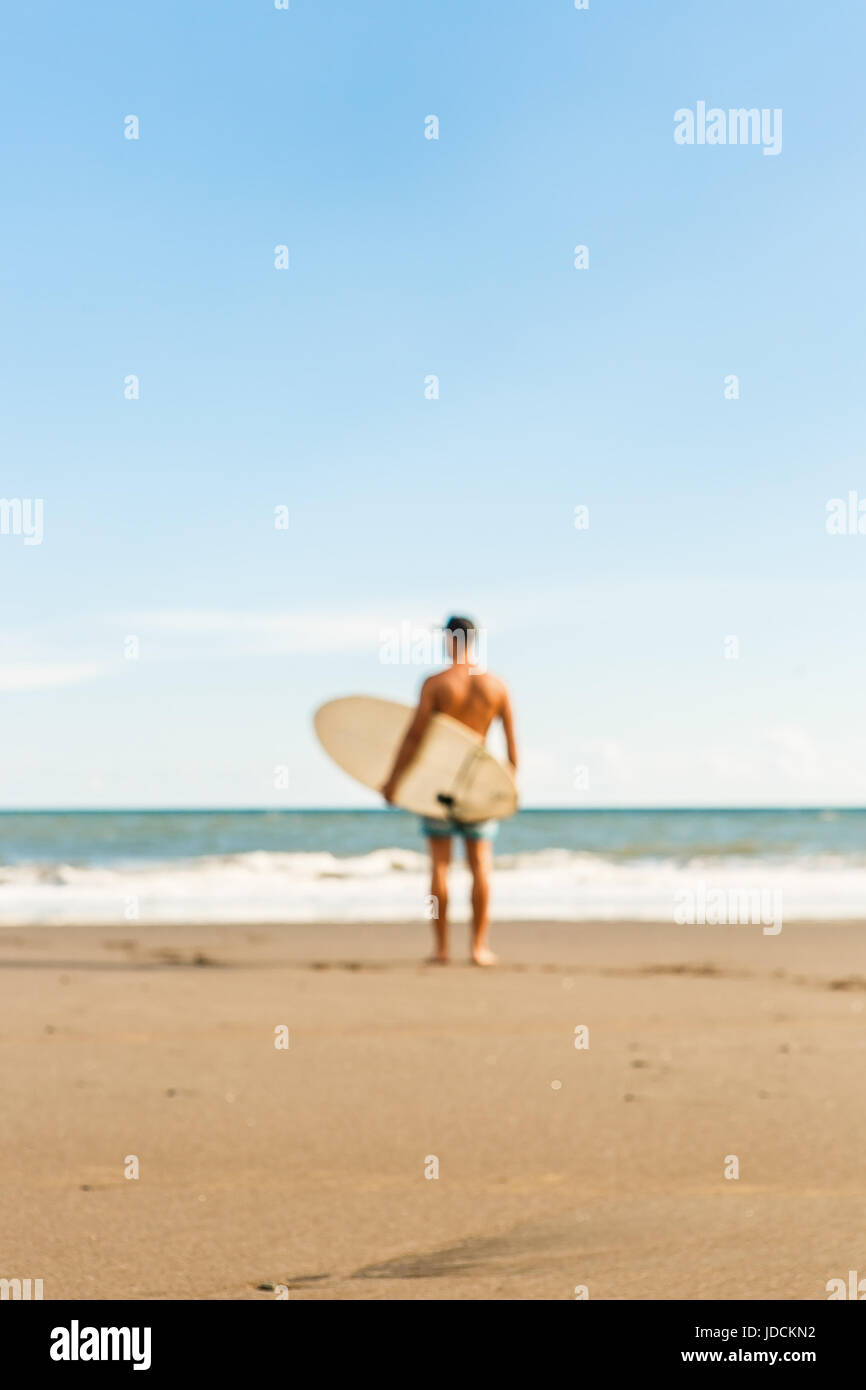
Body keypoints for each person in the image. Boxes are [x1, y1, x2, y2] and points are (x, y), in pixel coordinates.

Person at [381, 616, 517, 966]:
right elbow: (512, 751)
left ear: (449, 640)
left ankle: (442, 949)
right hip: (478, 786)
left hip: (438, 786)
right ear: (474, 641)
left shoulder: (436, 683)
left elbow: (414, 737)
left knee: (440, 867)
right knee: (481, 866)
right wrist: (508, 791)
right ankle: (479, 948)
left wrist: (393, 781)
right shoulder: (496, 686)